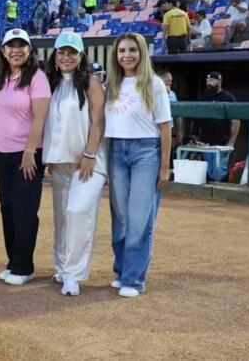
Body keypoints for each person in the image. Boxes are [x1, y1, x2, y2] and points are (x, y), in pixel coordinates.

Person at [105, 32, 172, 298]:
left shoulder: (153, 84)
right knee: (120, 215)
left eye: (132, 50)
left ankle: (134, 278)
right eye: (122, 51)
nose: (127, 55)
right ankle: (122, 270)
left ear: (141, 52)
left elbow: (165, 127)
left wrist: (164, 166)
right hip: (116, 151)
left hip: (146, 151)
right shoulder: (112, 83)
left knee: (139, 217)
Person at [43, 32, 106, 297]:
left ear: (81, 56)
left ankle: (73, 274)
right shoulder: (50, 82)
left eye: (72, 52)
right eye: (61, 52)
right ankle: (62, 266)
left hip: (88, 162)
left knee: (78, 212)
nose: (66, 57)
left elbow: (98, 120)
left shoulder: (91, 82)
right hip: (59, 163)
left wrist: (90, 155)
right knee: (62, 217)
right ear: (55, 56)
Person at [0, 28, 51, 286]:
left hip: (27, 153)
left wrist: (29, 151)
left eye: (21, 46)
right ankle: (13, 261)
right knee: (7, 208)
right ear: (3, 51)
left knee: (25, 210)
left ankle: (25, 265)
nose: (16, 50)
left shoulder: (37, 77)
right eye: (11, 46)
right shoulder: (0, 78)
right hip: (1, 154)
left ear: (29, 50)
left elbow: (40, 117)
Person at [194, 72, 240, 181]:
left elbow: (236, 121)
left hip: (222, 141)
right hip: (206, 141)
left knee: (221, 171)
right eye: (207, 81)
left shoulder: (228, 97)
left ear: (219, 81)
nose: (208, 83)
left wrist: (232, 141)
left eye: (211, 80)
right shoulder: (204, 97)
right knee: (209, 170)